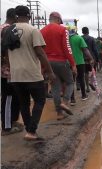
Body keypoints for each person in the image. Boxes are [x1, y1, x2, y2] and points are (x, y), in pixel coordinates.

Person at [7, 5, 55, 140]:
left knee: (24, 103)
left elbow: (5, 53)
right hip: (32, 74)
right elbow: (40, 52)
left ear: (16, 16)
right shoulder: (33, 30)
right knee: (40, 100)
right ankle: (31, 131)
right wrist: (50, 72)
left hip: (16, 75)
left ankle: (29, 130)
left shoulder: (8, 31)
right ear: (29, 16)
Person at [41, 11, 77, 120]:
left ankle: (59, 114)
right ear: (57, 19)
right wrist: (73, 64)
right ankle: (65, 102)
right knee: (70, 82)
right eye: (60, 22)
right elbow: (67, 48)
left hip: (48, 63)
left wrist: (42, 67)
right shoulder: (63, 30)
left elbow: (40, 50)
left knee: (55, 87)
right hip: (61, 61)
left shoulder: (41, 31)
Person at [0, 8, 23, 136]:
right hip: (6, 69)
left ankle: (12, 121)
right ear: (14, 17)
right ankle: (6, 127)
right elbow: (7, 50)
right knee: (8, 97)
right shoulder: (8, 29)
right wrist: (9, 64)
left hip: (5, 68)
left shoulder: (2, 27)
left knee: (13, 95)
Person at [68, 27, 94, 104]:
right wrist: (91, 58)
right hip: (80, 62)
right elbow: (85, 50)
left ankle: (72, 99)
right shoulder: (79, 38)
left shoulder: (66, 39)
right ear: (75, 31)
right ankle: (83, 95)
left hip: (70, 63)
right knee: (81, 78)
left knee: (71, 81)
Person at [81, 27, 99, 93]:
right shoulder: (92, 39)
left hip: (83, 58)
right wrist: (97, 58)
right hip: (91, 57)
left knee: (85, 72)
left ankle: (87, 87)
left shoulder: (80, 38)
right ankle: (91, 82)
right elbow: (95, 49)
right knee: (93, 71)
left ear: (82, 32)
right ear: (88, 31)